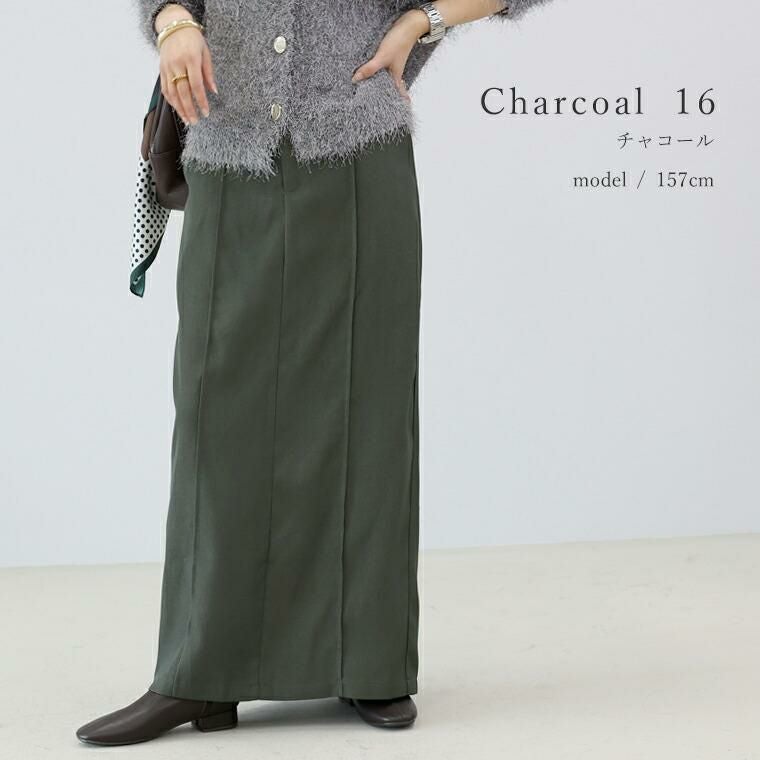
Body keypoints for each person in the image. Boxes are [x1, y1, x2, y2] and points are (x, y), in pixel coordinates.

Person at [76, 0, 552, 746]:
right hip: (228, 144)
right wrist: (173, 22)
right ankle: (199, 673)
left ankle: (369, 662)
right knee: (216, 412)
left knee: (366, 411)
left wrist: (419, 21)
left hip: (358, 151)